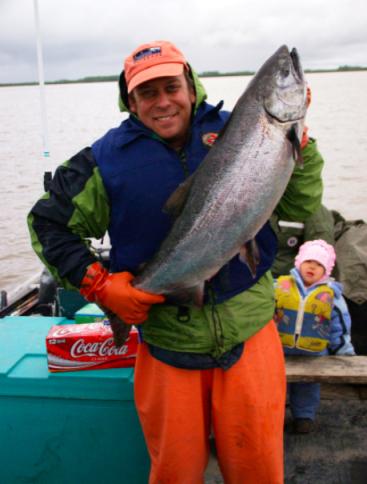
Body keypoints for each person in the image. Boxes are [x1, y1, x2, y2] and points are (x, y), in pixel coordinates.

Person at [28, 40, 324, 483]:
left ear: (191, 86)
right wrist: (99, 286)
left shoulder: (243, 130)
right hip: (168, 345)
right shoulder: (103, 161)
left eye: (172, 87)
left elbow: (302, 204)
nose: (163, 101)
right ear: (131, 101)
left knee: (260, 470)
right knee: (175, 473)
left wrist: (299, 140)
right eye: (148, 93)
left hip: (250, 334)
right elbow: (47, 225)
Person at [274, 239, 355, 434]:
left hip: (313, 354)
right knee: (274, 387)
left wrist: (345, 353)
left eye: (319, 264)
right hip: (279, 351)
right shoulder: (279, 286)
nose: (313, 266)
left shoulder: (331, 295)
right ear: (299, 262)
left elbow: (339, 326)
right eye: (309, 261)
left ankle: (304, 416)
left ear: (326, 271)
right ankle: (274, 416)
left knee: (307, 388)